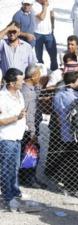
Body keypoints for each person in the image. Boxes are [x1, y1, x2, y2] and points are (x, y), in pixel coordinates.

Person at [0, 68, 26, 211]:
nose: (22, 82)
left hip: (17, 137)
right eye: (20, 80)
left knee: (15, 167)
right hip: (6, 138)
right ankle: (7, 197)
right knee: (6, 169)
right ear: (11, 83)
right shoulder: (2, 97)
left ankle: (15, 191)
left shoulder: (19, 94)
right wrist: (16, 117)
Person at [19, 65, 42, 188]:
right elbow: (30, 115)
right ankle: (29, 179)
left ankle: (25, 178)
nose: (40, 77)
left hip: (24, 129)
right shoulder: (29, 94)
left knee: (25, 153)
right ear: (33, 76)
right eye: (39, 74)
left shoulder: (26, 88)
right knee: (31, 153)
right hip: (29, 130)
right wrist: (33, 133)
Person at [32, 0, 58, 71]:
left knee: (53, 56)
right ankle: (41, 74)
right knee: (39, 58)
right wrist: (45, 7)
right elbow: (41, 17)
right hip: (37, 34)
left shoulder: (49, 3)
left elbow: (52, 14)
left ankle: (54, 72)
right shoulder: (34, 5)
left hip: (49, 33)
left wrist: (52, 26)